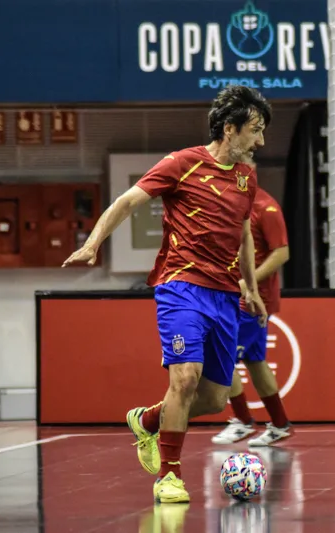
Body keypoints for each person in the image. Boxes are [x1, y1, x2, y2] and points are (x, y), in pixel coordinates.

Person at [62, 85, 272, 504]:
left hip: (225, 294)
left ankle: (149, 419)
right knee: (185, 377)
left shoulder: (247, 178)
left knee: (214, 396)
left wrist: (250, 285)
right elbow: (127, 201)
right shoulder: (183, 163)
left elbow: (243, 232)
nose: (260, 141)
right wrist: (93, 242)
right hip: (181, 286)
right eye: (255, 130)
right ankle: (170, 477)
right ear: (229, 129)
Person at [211, 186, 293, 447]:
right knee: (256, 361)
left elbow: (282, 252)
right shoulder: (230, 203)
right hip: (232, 295)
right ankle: (279, 424)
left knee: (220, 357)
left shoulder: (266, 207)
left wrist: (248, 283)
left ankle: (244, 420)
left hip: (252, 300)